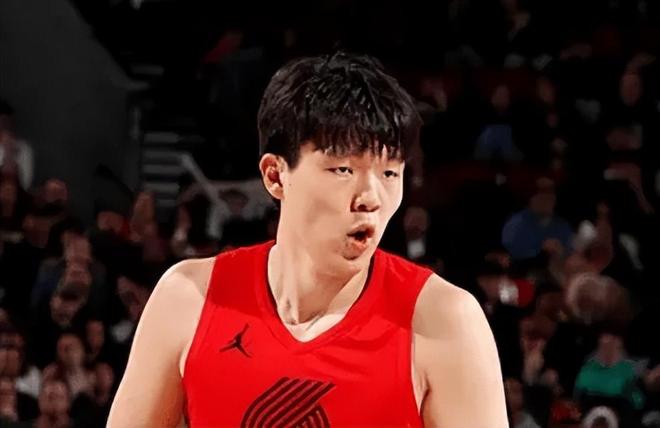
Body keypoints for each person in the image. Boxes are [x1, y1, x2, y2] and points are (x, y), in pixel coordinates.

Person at [108, 52, 507, 427]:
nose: (370, 198)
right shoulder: (189, 298)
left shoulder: (443, 320)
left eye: (389, 173)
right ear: (275, 176)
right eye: (343, 170)